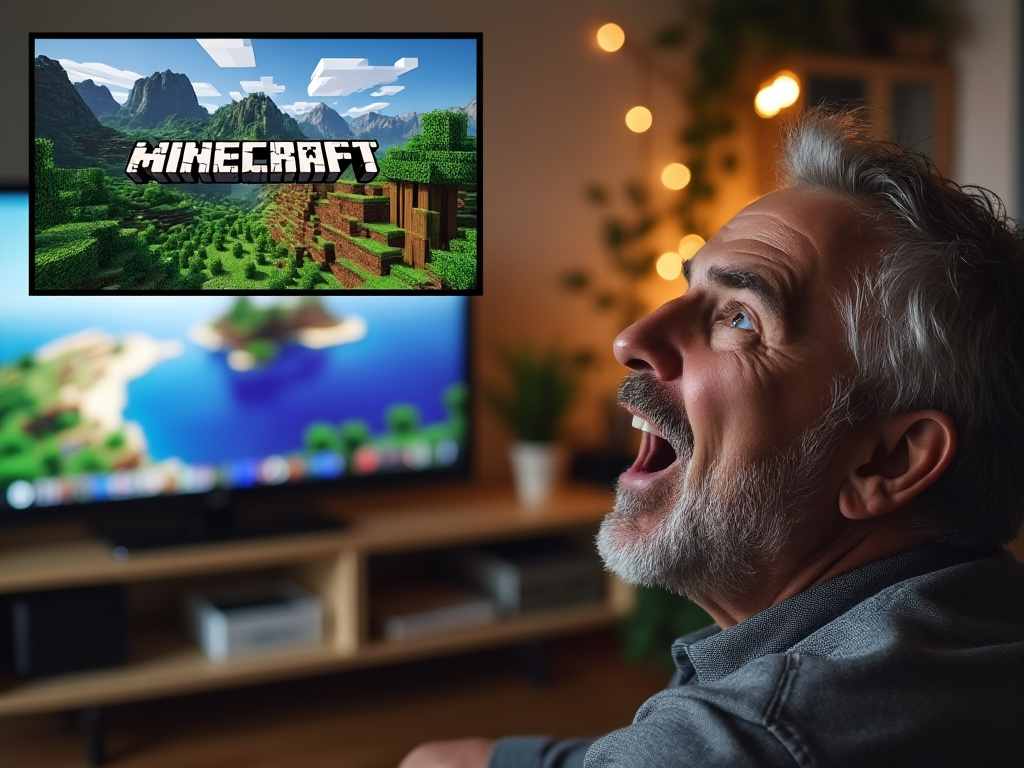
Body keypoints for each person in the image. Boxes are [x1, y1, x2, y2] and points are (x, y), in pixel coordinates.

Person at [399, 109, 1024, 768]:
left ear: (890, 461)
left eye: (740, 318)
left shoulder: (749, 740)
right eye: (689, 290)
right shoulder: (980, 619)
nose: (631, 339)